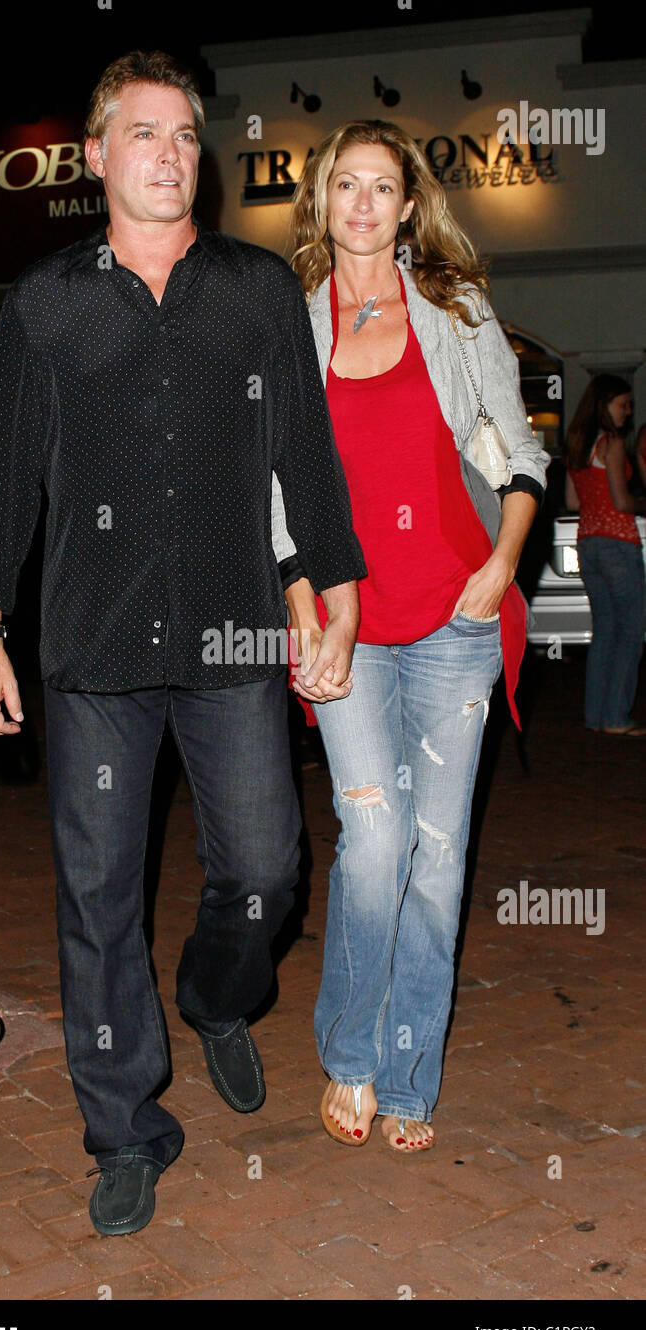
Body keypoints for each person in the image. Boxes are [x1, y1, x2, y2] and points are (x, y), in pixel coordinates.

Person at [0, 52, 365, 1236]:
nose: (171, 153)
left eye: (186, 134)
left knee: (271, 872)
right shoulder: (44, 304)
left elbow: (307, 462)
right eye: (145, 133)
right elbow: (2, 485)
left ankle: (215, 994)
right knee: (97, 898)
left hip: (235, 632)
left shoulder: (254, 292)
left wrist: (334, 596)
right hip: (93, 645)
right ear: (96, 156)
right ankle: (127, 1127)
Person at [271, 120, 548, 1151]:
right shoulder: (292, 324)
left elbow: (521, 451)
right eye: (345, 184)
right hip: (346, 623)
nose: (362, 204)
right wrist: (303, 601)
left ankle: (408, 1065)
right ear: (322, 200)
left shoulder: (456, 312)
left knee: (435, 858)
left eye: (382, 187)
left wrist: (500, 564)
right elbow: (272, 488)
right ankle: (350, 1053)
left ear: (407, 205)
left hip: (452, 619)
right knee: (375, 836)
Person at [565, 375, 646, 734]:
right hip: (617, 542)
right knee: (631, 630)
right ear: (604, 403)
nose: (628, 411)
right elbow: (622, 501)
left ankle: (596, 716)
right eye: (623, 404)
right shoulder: (611, 444)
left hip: (589, 543)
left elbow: (571, 502)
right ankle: (615, 717)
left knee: (606, 631)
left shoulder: (579, 444)